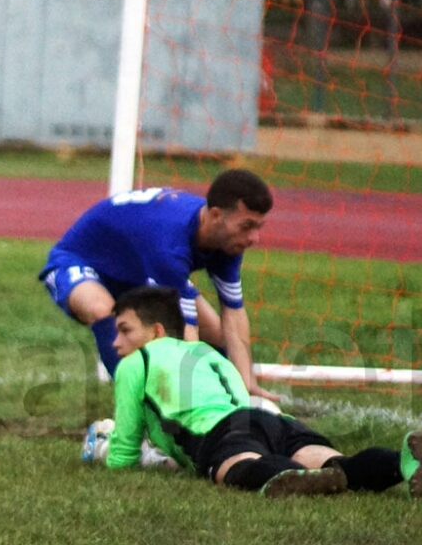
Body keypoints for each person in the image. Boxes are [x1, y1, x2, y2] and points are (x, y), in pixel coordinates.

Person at [103, 285, 422, 499]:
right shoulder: (206, 352)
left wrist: (112, 461)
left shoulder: (138, 362)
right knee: (335, 464)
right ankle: (402, 463)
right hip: (270, 419)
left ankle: (286, 476)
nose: (116, 342)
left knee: (241, 466)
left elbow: (124, 449)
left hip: (220, 432)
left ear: (157, 330)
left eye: (124, 330)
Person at [43, 169, 275, 395]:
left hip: (141, 272)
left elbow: (233, 312)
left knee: (215, 334)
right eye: (246, 227)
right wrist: (188, 395)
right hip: (78, 261)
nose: (254, 238)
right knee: (105, 311)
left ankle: (229, 399)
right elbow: (185, 333)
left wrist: (246, 383)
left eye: (258, 227)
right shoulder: (170, 245)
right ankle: (142, 407)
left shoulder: (226, 239)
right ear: (214, 215)